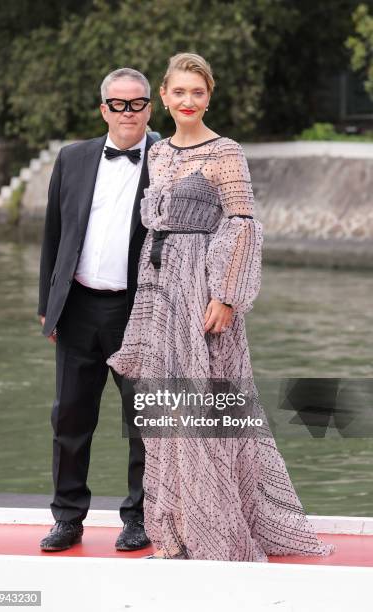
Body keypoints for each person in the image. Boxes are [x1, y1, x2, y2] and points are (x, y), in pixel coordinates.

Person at [107, 53, 336, 561]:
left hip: (202, 287)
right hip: (159, 285)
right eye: (179, 92)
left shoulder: (226, 151)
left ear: (208, 97)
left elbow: (242, 223)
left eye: (198, 92)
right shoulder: (159, 154)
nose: (188, 101)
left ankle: (220, 529)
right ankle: (176, 527)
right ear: (163, 98)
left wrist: (225, 295)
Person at [38, 68, 157, 552]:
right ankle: (68, 518)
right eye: (117, 103)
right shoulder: (72, 158)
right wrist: (48, 306)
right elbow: (53, 235)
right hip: (78, 307)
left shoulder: (169, 160)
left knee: (144, 422)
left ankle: (140, 518)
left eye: (137, 103)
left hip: (141, 309)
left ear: (151, 107)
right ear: (103, 108)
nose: (127, 112)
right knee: (69, 417)